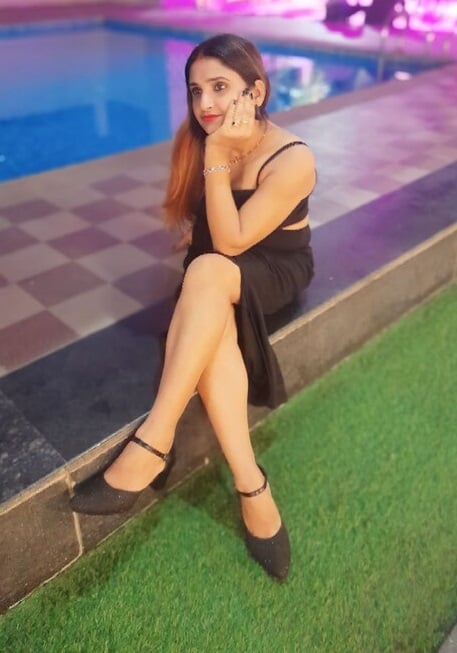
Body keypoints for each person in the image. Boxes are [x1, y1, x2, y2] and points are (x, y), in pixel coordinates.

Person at [70, 33, 316, 582]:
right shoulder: (200, 137)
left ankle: (154, 443)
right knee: (208, 295)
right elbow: (207, 231)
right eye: (196, 90)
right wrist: (210, 170)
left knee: (206, 271)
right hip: (215, 266)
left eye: (220, 87)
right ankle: (252, 486)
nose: (205, 103)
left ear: (256, 92)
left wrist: (218, 158)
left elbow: (231, 244)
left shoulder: (293, 158)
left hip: (272, 267)